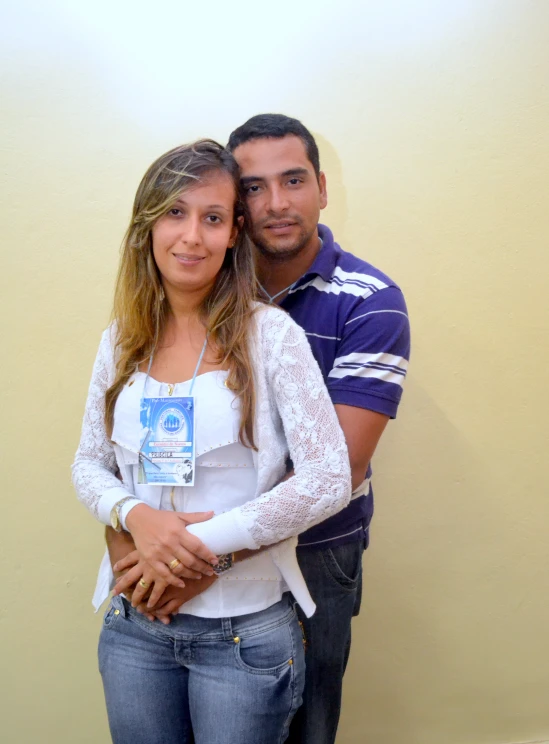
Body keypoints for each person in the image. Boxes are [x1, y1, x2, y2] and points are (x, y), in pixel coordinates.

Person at [107, 115, 411, 743]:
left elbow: (338, 470)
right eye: (254, 186)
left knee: (307, 723)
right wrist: (136, 538)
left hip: (318, 551)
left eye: (293, 180)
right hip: (173, 561)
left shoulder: (367, 301)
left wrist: (184, 560)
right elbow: (115, 454)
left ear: (322, 188)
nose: (275, 202)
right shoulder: (178, 302)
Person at [71, 139, 352, 744]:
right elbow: (89, 464)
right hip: (135, 628)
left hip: (242, 635)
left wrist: (193, 546)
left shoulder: (271, 337)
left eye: (213, 217)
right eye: (175, 212)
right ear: (146, 226)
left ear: (234, 235)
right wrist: (134, 514)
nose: (191, 236)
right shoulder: (121, 340)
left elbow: (330, 477)